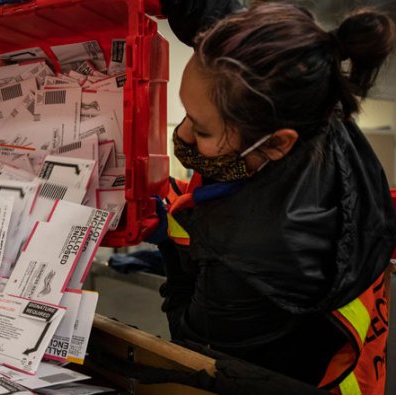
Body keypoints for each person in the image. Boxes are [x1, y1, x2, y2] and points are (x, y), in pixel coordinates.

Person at [156, 1, 396, 393]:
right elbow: (216, 13)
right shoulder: (302, 93)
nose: (181, 136)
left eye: (200, 131)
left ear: (276, 144)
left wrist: (171, 250)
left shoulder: (255, 259)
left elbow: (191, 346)